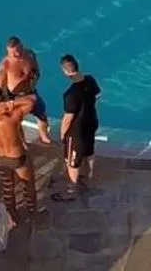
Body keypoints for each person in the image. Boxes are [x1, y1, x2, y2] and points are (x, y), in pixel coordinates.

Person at [0, 86, 40, 221]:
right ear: (3, 99)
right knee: (28, 185)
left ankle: (12, 215)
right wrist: (10, 104)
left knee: (8, 187)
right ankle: (32, 213)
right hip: (17, 156)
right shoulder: (13, 116)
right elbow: (32, 101)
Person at [54, 55, 101, 201]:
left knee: (72, 160)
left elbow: (68, 117)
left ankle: (72, 190)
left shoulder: (70, 93)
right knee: (89, 151)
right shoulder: (90, 80)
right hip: (91, 122)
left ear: (65, 71)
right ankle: (87, 179)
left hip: (77, 130)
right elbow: (98, 95)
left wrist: (62, 134)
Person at [0, 36, 53, 144]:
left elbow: (36, 69)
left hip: (30, 92)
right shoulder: (5, 66)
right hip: (14, 96)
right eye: (13, 53)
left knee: (41, 113)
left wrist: (35, 77)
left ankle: (44, 136)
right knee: (16, 120)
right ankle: (21, 141)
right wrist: (5, 102)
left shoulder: (30, 54)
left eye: (19, 50)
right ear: (8, 52)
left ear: (22, 46)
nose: (17, 54)